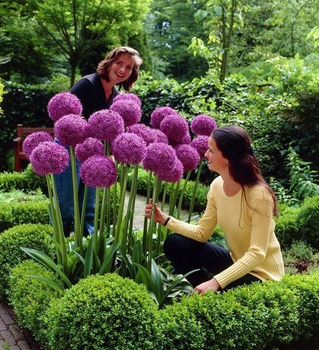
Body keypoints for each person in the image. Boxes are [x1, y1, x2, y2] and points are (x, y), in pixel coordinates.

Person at [145, 125, 284, 294]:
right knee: (175, 244)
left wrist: (217, 281)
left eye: (211, 150)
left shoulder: (259, 195)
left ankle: (214, 290)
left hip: (263, 276)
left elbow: (257, 253)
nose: (206, 154)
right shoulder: (217, 186)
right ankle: (208, 293)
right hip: (237, 262)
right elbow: (202, 233)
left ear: (227, 157)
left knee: (226, 284)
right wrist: (165, 220)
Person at [56, 46, 143, 236]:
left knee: (89, 208)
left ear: (131, 74)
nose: (122, 70)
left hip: (93, 154)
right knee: (65, 206)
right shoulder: (86, 84)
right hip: (68, 150)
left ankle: (87, 249)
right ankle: (60, 251)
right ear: (109, 62)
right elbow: (63, 120)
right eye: (119, 63)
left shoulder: (116, 97)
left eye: (128, 67)